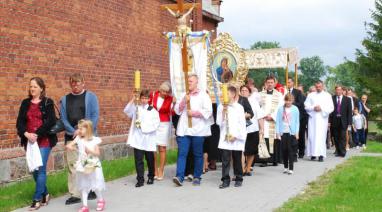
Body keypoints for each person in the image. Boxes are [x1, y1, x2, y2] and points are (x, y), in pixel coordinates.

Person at [16, 77, 58, 210]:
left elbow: (51, 121)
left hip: (44, 140)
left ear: (41, 88)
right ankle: (45, 194)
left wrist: (37, 134)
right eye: (30, 86)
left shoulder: (47, 102)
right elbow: (20, 122)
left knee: (40, 169)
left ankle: (36, 199)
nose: (32, 89)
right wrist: (26, 134)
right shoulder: (25, 103)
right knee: (34, 169)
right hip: (29, 141)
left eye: (34, 86)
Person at [61, 73, 100, 205]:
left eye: (77, 82)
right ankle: (75, 194)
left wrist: (83, 130)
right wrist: (75, 132)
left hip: (87, 137)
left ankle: (91, 189)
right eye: (73, 83)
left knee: (88, 163)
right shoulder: (65, 99)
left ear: (83, 83)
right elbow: (63, 119)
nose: (75, 85)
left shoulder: (91, 97)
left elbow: (94, 116)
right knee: (73, 165)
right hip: (71, 136)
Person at [173, 74, 213, 186]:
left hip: (198, 130)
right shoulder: (183, 95)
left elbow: (208, 111)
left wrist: (194, 113)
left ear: (196, 83)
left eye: (190, 81)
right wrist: (183, 102)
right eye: (188, 81)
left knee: (198, 154)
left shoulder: (204, 95)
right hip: (184, 129)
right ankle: (179, 176)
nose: (188, 83)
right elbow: (177, 111)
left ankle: (197, 176)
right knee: (182, 153)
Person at [66, 120, 106, 212]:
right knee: (84, 185)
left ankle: (101, 200)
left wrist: (90, 151)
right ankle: (85, 206)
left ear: (88, 129)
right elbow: (69, 146)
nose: (79, 130)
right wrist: (72, 147)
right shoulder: (78, 139)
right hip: (83, 164)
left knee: (95, 184)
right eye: (78, 128)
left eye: (81, 129)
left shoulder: (94, 140)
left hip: (93, 164)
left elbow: (97, 153)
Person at [124, 90, 160, 187]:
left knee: (149, 159)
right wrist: (133, 99)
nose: (144, 100)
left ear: (149, 99)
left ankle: (151, 176)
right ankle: (140, 179)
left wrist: (143, 127)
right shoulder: (136, 108)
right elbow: (127, 111)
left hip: (148, 138)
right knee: (138, 160)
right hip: (138, 138)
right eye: (142, 98)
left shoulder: (153, 111)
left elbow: (156, 124)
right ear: (140, 99)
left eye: (146, 98)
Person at [216, 86, 247, 188]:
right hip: (226, 137)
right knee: (225, 159)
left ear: (233, 95)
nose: (225, 96)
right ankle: (225, 180)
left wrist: (237, 136)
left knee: (237, 159)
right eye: (224, 94)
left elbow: (242, 124)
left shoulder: (239, 107)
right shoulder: (221, 106)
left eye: (227, 94)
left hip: (236, 137)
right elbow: (218, 122)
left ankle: (239, 177)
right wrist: (224, 111)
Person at [148, 82, 174, 180]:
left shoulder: (170, 99)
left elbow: (173, 112)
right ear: (159, 89)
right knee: (153, 148)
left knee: (162, 147)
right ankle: (155, 169)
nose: (164, 93)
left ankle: (161, 170)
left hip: (164, 124)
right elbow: (148, 107)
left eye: (166, 92)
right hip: (153, 123)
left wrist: (174, 103)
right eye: (163, 91)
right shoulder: (153, 94)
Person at [304, 80, 334, 162]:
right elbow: (306, 106)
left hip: (322, 119)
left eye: (320, 86)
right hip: (313, 118)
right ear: (315, 86)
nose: (318, 88)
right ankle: (312, 154)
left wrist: (321, 108)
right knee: (311, 136)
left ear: (323, 86)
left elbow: (331, 107)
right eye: (317, 87)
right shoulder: (310, 95)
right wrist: (313, 107)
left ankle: (321, 155)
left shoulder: (327, 95)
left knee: (321, 136)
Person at [259, 76, 284, 166]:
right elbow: (258, 107)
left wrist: (272, 116)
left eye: (271, 82)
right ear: (265, 83)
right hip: (264, 119)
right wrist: (262, 115)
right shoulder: (260, 94)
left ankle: (274, 160)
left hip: (274, 119)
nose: (270, 84)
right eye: (268, 82)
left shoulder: (279, 95)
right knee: (264, 138)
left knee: (274, 139)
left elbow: (280, 108)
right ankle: (264, 160)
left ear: (274, 83)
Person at [240, 85, 264, 175]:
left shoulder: (254, 102)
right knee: (242, 150)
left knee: (251, 150)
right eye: (242, 90)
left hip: (253, 128)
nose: (243, 92)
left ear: (249, 92)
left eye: (245, 90)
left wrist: (262, 128)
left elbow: (260, 116)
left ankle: (248, 168)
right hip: (241, 130)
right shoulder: (238, 101)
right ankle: (241, 168)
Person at [276, 94, 300, 175]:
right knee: (284, 150)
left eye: (290, 100)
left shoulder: (295, 109)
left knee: (291, 150)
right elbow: (278, 121)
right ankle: (285, 167)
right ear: (284, 100)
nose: (288, 102)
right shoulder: (280, 109)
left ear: (292, 101)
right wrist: (277, 133)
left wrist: (296, 132)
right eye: (287, 100)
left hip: (291, 132)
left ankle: (291, 168)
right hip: (283, 132)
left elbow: (297, 122)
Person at [329, 86, 352, 157]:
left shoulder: (347, 99)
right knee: (335, 136)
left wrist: (349, 123)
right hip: (334, 120)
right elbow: (330, 110)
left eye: (339, 90)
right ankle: (338, 151)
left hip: (343, 121)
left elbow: (349, 111)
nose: (338, 91)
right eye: (336, 90)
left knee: (342, 136)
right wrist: (329, 121)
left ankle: (342, 152)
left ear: (342, 91)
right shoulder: (332, 98)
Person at [286, 78, 305, 160]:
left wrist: (290, 103)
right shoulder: (283, 91)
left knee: (299, 135)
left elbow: (300, 103)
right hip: (286, 116)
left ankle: (300, 152)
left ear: (293, 83)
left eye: (289, 82)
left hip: (297, 117)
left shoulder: (298, 92)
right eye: (287, 82)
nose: (288, 83)